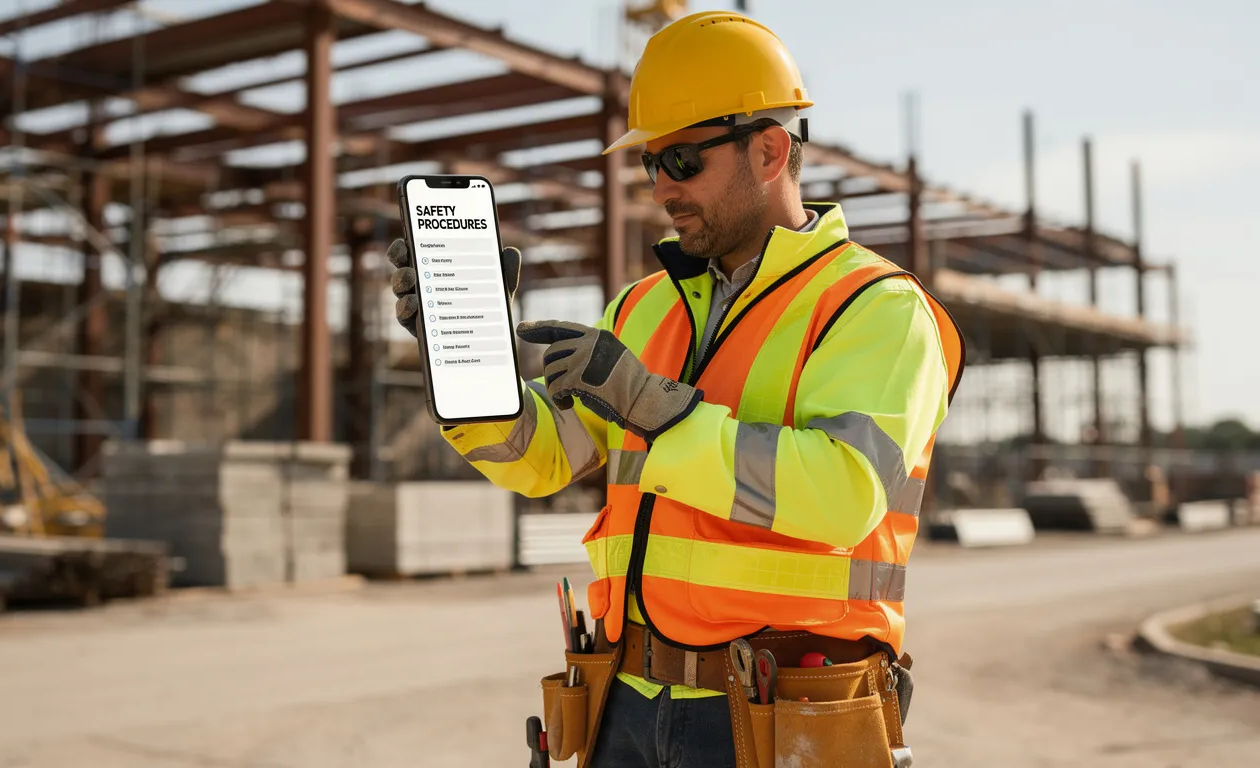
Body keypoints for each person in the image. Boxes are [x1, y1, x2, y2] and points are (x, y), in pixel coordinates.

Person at [387, 10, 965, 768]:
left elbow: (843, 496)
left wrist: (659, 414)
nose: (661, 187)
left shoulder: (874, 307)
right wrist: (466, 367)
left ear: (768, 150)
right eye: (650, 163)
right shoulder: (639, 308)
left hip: (780, 712)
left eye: (683, 160)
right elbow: (542, 461)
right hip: (623, 701)